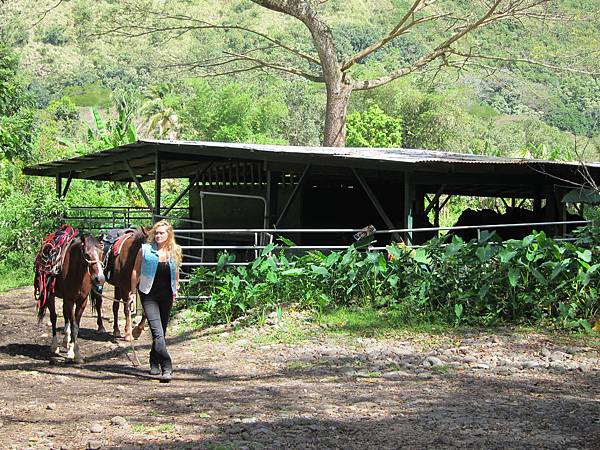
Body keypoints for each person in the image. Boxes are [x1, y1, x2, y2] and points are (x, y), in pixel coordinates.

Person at [130, 220, 181, 382]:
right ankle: (167, 366)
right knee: (158, 332)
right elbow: (135, 271)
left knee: (160, 332)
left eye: (162, 233)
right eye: (156, 233)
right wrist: (132, 293)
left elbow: (176, 270)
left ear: (169, 235)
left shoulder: (176, 251)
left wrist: (177, 287)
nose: (158, 235)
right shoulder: (145, 250)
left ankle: (154, 361)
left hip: (166, 295)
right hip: (148, 294)